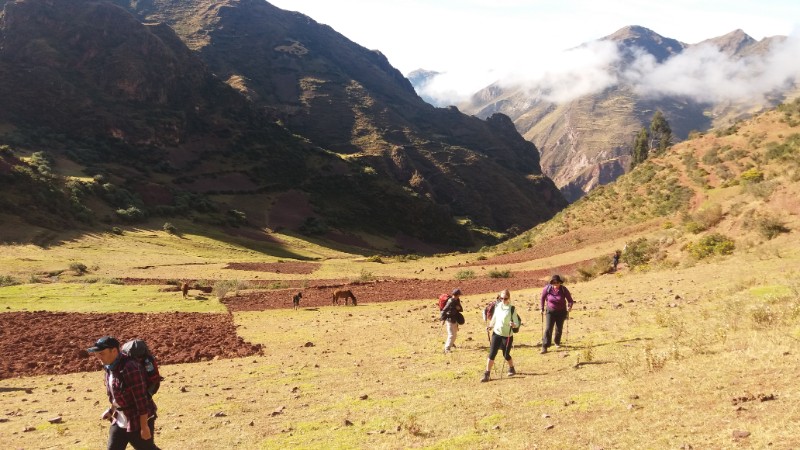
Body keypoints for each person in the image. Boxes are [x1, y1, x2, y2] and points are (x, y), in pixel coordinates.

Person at [87, 336, 160, 450]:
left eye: (102, 353)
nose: (98, 357)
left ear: (114, 351)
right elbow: (117, 393)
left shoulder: (130, 368)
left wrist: (144, 426)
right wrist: (111, 410)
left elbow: (141, 399)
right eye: (97, 354)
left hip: (137, 420)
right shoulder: (109, 367)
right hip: (120, 419)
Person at [481, 289, 520, 382]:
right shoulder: (498, 306)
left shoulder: (512, 309)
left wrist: (513, 325)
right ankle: (487, 374)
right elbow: (494, 318)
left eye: (505, 298)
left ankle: (511, 368)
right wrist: (490, 326)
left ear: (509, 298)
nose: (503, 300)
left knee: (506, 354)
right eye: (501, 298)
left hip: (507, 335)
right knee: (492, 353)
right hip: (496, 333)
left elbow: (517, 323)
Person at [539, 275, 574, 354]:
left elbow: (570, 300)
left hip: (561, 312)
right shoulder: (547, 289)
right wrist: (542, 308)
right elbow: (542, 298)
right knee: (548, 328)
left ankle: (557, 342)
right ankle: (545, 346)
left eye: (557, 282)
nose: (556, 284)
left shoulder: (563, 289)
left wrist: (569, 307)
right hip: (550, 311)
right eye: (554, 282)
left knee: (559, 329)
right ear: (552, 283)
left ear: (560, 283)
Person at [440, 288, 464, 353]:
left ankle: (451, 343)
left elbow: (461, 309)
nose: (459, 296)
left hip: (454, 318)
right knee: (451, 334)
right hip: (449, 319)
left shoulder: (457, 300)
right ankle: (447, 349)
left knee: (454, 333)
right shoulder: (450, 301)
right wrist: (442, 319)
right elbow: (444, 310)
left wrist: (458, 308)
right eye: (459, 294)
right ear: (457, 295)